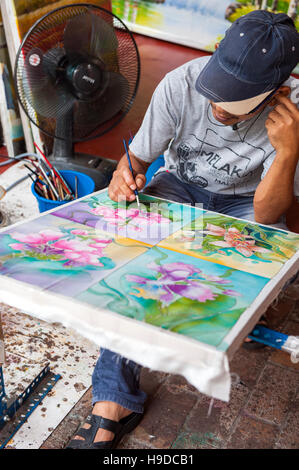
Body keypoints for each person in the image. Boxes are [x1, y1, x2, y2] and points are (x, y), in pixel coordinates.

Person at [67, 10, 299, 449]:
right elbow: (133, 162)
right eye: (215, 92)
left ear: (277, 90)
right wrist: (124, 178)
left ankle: (250, 312)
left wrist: (288, 151)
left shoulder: (295, 115)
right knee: (133, 264)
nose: (216, 107)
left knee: (259, 265)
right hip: (179, 185)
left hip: (247, 205)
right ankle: (114, 399)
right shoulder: (180, 81)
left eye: (233, 103)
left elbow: (268, 215)